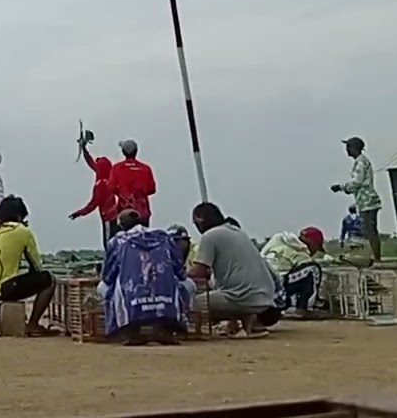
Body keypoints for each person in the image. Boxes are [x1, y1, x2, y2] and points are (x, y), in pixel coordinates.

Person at [0, 196, 57, 337]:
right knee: (49, 279)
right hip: (3, 290)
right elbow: (37, 266)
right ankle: (33, 324)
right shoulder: (23, 231)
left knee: (3, 277)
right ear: (19, 215)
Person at [98, 210, 191, 345]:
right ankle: (166, 330)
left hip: (132, 298)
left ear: (122, 226)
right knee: (186, 285)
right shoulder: (164, 237)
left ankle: (132, 332)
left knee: (103, 287)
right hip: (166, 299)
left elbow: (107, 277)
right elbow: (180, 272)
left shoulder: (117, 241)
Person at [189, 202, 279, 337]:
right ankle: (249, 323)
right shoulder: (239, 232)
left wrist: (176, 278)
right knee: (227, 289)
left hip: (242, 298)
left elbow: (199, 271)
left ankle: (195, 332)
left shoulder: (210, 236)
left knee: (192, 303)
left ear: (199, 220)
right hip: (265, 299)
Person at [260, 227, 331, 317]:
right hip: (276, 287)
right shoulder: (300, 253)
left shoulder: (277, 242)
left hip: (262, 289)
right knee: (313, 269)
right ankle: (305, 308)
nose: (315, 252)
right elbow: (307, 282)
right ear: (312, 244)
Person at [331, 137, 382, 262]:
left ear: (354, 148)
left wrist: (341, 187)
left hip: (367, 201)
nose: (346, 150)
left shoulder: (360, 162)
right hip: (366, 201)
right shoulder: (361, 161)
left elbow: (356, 183)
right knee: (368, 229)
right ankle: (373, 257)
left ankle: (376, 258)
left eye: (348, 147)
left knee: (369, 230)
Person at [69, 139, 118, 249]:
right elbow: (91, 163)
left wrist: (79, 213)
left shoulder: (101, 185)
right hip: (115, 215)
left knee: (108, 244)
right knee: (115, 242)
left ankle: (111, 264)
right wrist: (84, 150)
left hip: (108, 218)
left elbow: (93, 205)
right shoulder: (110, 179)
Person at [110, 139, 156, 227]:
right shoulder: (146, 168)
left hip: (124, 212)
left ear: (123, 152)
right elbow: (152, 189)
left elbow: (111, 187)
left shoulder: (117, 168)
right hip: (143, 211)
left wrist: (122, 193)